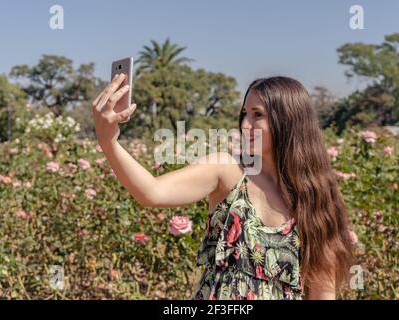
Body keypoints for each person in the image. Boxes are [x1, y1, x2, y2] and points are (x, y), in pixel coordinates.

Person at [92, 73, 355, 300]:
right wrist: (109, 143)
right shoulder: (228, 170)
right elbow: (150, 192)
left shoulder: (314, 196)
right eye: (244, 114)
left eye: (257, 115)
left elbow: (322, 290)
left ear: (288, 120)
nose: (245, 124)